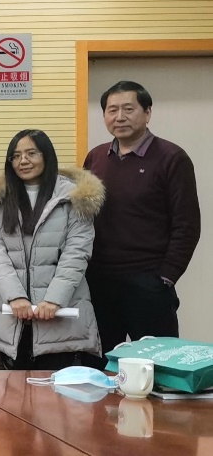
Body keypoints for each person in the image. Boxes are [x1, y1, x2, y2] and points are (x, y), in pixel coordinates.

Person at [84, 81, 201, 357]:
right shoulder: (96, 157)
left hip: (149, 283)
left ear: (147, 113)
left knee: (156, 363)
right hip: (99, 283)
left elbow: (187, 225)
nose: (119, 117)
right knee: (102, 364)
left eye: (128, 109)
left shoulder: (172, 158)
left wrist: (166, 277)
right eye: (112, 110)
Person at [0, 129, 105, 370]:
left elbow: (76, 254)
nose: (23, 161)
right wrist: (15, 296)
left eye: (31, 153)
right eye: (16, 156)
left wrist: (54, 300)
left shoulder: (73, 197)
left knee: (56, 391)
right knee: (13, 391)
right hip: (13, 318)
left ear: (47, 156)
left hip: (60, 316)